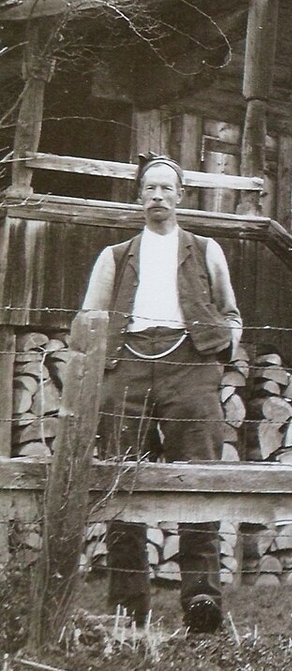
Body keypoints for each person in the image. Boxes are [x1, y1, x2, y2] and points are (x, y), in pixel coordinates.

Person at [81, 153, 242, 633]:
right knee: (121, 483)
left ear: (180, 197)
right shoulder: (115, 256)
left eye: (166, 188)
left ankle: (201, 602)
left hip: (189, 366)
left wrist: (220, 348)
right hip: (127, 366)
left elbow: (231, 313)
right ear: (138, 196)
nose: (157, 196)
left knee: (199, 480)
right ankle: (129, 608)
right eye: (149, 188)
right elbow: (87, 320)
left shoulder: (206, 249)